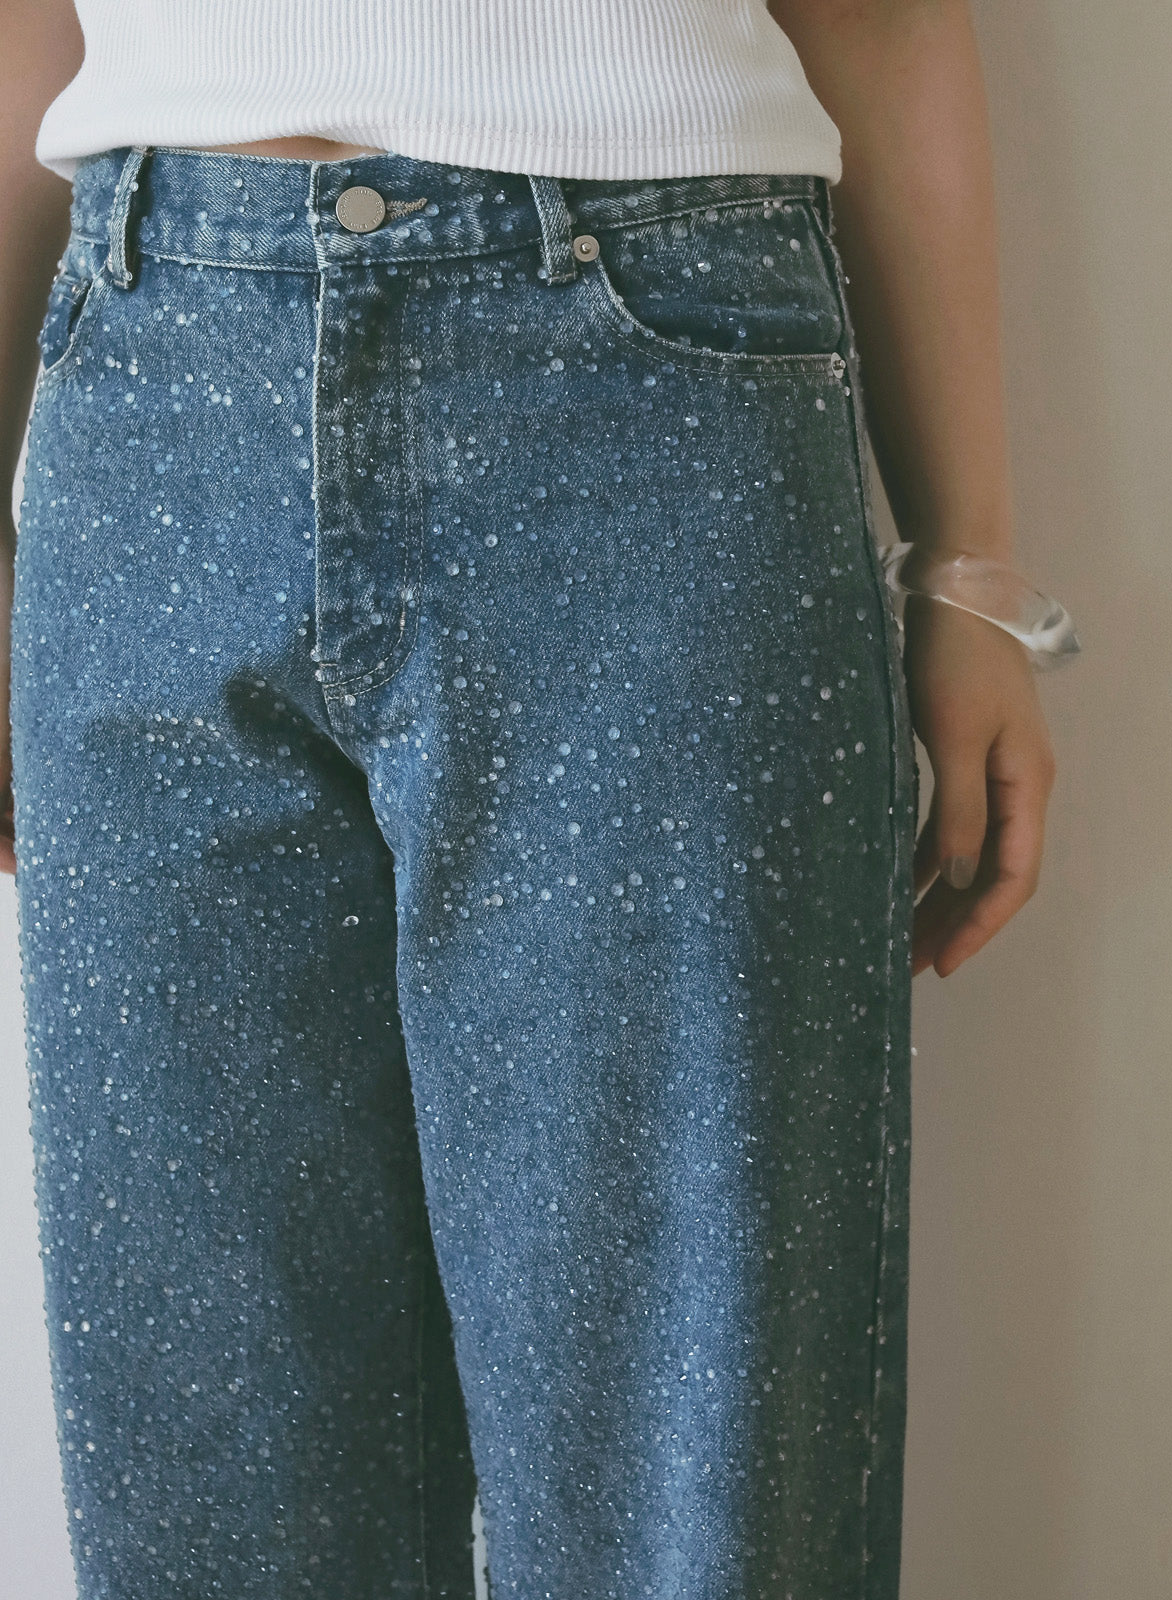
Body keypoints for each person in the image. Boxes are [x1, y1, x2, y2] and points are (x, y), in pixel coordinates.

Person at [0, 2, 1058, 1597]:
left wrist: (971, 574)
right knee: (212, 1465)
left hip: (651, 385)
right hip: (146, 387)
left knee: (691, 1477)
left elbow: (885, 17)